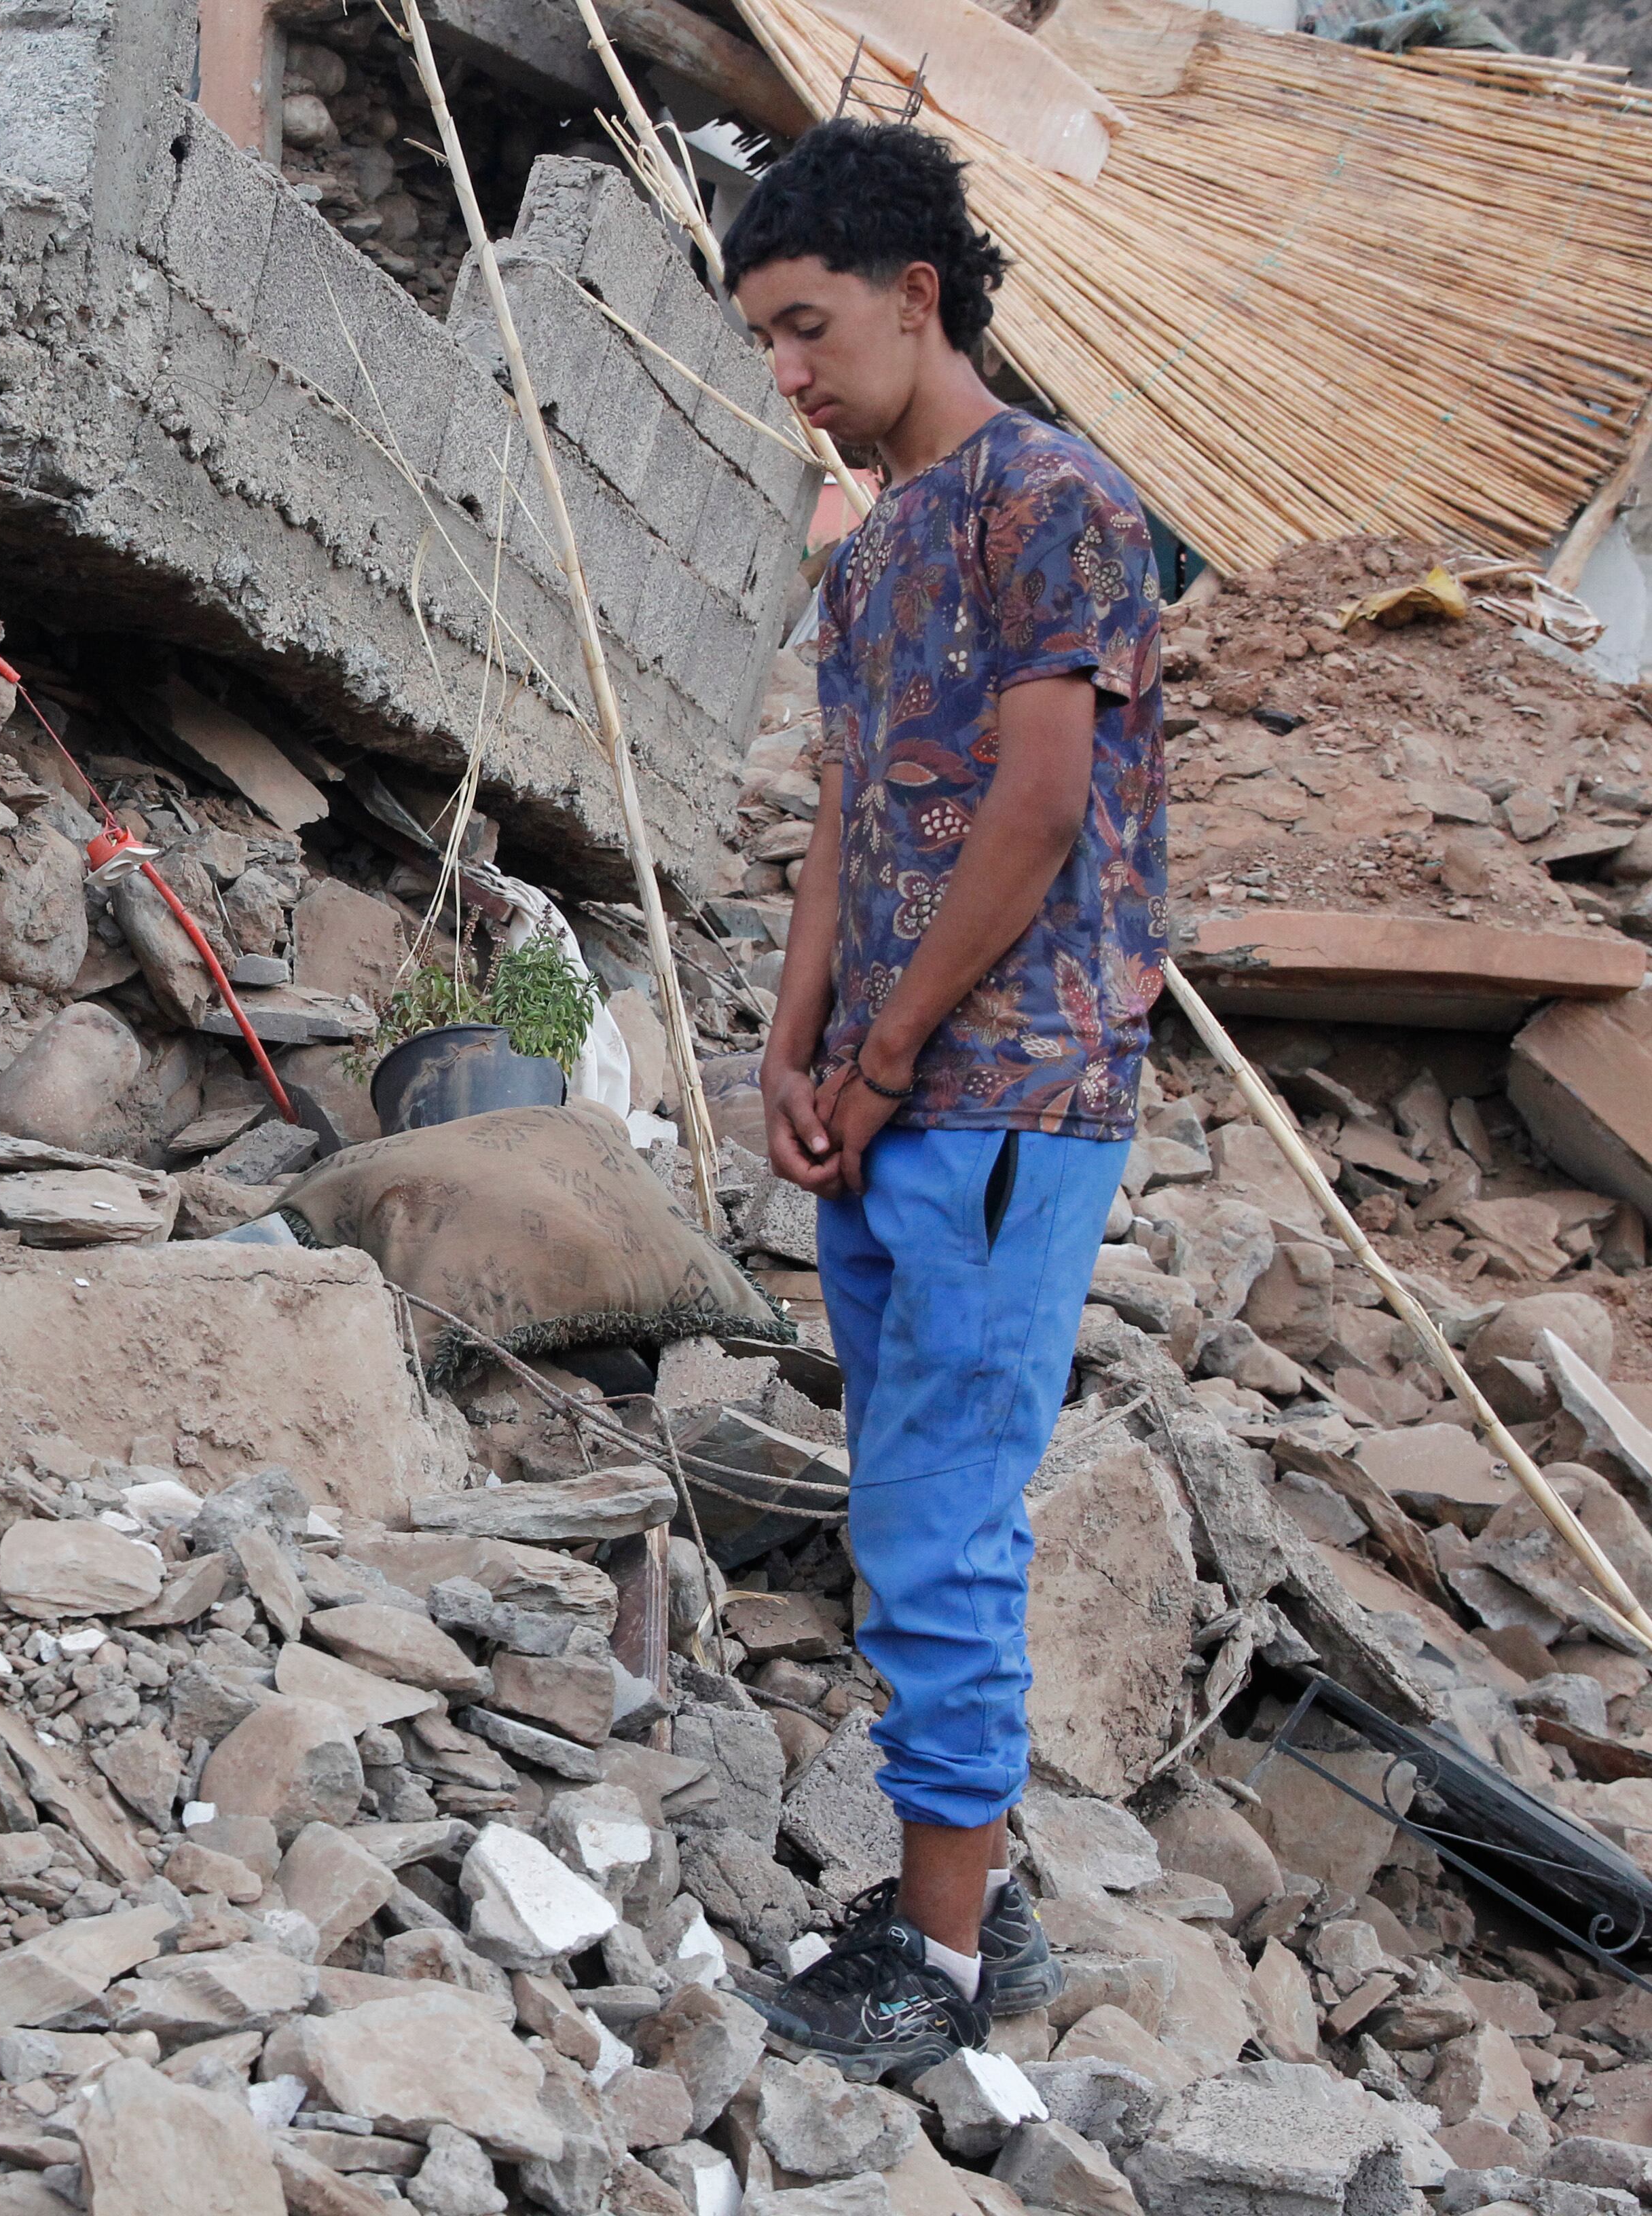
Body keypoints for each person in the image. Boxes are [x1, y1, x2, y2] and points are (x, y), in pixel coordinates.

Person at [719, 117, 1170, 2080]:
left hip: (1008, 1093)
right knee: (915, 1498)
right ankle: (969, 1895)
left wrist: (889, 1055)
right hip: (895, 1098)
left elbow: (1041, 802)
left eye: (811, 328)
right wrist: (793, 1044)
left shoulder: (1048, 498)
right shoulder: (881, 541)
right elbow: (843, 811)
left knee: (939, 1518)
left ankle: (940, 1959)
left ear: (920, 294)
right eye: (765, 346)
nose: (792, 377)